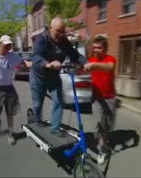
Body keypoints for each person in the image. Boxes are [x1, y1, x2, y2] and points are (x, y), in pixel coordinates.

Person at [29, 17, 81, 137]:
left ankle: (55, 128)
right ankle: (37, 122)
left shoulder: (64, 41)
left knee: (58, 101)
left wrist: (83, 63)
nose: (61, 34)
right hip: (38, 77)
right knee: (37, 104)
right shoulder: (41, 39)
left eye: (63, 31)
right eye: (58, 31)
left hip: (53, 77)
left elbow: (74, 54)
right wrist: (48, 64)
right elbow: (36, 57)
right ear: (50, 28)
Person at [0, 35, 32, 145]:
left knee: (10, 113)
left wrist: (39, 63)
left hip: (9, 88)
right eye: (5, 45)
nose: (7, 48)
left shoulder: (12, 56)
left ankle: (11, 133)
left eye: (9, 45)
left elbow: (25, 63)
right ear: (0, 44)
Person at [84, 36, 117, 164]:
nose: (96, 50)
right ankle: (102, 149)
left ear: (105, 48)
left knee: (107, 127)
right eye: (95, 47)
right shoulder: (91, 60)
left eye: (99, 47)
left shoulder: (110, 59)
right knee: (98, 125)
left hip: (110, 98)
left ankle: (105, 144)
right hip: (97, 99)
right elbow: (83, 70)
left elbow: (109, 67)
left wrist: (94, 65)